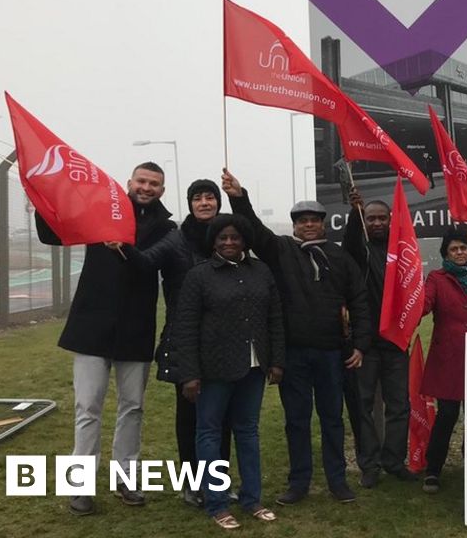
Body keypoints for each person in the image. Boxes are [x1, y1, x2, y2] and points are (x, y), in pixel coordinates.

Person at [35, 162, 176, 516]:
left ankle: (125, 479)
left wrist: (123, 248)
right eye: (142, 181)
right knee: (87, 408)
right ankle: (79, 486)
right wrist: (41, 200)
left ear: (162, 190)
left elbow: (149, 264)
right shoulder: (100, 211)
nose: (146, 187)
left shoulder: (167, 228)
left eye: (154, 184)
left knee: (133, 407)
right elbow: (54, 234)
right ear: (130, 182)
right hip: (92, 327)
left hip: (136, 329)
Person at [222, 169, 369, 505]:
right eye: (302, 221)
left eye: (314, 220)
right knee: (297, 421)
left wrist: (360, 344)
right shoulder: (281, 250)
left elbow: (359, 300)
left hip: (333, 353)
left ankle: (337, 482)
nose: (308, 225)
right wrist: (239, 198)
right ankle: (299, 482)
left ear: (323, 224)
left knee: (333, 419)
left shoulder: (340, 257)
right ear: (294, 225)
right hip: (293, 353)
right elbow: (254, 231)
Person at [121, 179, 232, 507]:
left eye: (210, 197)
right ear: (190, 203)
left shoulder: (228, 238)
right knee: (190, 416)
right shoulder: (177, 239)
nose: (204, 203)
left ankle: (218, 481)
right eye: (198, 198)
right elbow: (145, 262)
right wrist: (123, 246)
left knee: (222, 417)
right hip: (185, 339)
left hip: (223, 340)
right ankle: (192, 483)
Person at [173, 214, 285, 530]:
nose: (229, 242)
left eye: (235, 237)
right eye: (222, 237)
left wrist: (277, 361)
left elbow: (275, 318)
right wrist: (189, 374)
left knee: (248, 432)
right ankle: (217, 503)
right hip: (213, 370)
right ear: (213, 242)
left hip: (254, 367)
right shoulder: (199, 276)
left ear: (244, 240)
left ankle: (252, 499)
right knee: (208, 434)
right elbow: (185, 327)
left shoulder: (261, 271)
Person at [343, 187, 418, 488]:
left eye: (381, 218)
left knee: (399, 405)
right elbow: (349, 242)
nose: (376, 223)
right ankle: (369, 464)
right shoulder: (359, 253)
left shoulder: (401, 251)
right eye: (370, 219)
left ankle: (394, 461)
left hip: (395, 341)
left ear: (390, 220)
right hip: (366, 343)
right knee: (363, 406)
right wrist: (355, 213)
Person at [419, 230, 467, 494]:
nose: (459, 253)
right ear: (446, 254)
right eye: (453, 249)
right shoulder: (436, 278)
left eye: (463, 248)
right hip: (448, 360)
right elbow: (425, 303)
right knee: (447, 415)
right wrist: (412, 306)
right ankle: (433, 469)